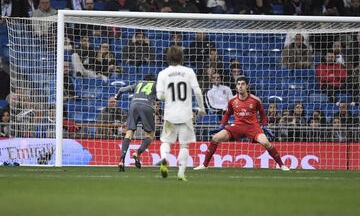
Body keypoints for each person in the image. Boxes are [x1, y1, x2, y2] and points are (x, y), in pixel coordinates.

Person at [194, 76, 290, 171]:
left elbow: (263, 114)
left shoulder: (255, 100)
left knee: (266, 142)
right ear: (236, 86)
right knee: (215, 138)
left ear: (247, 86)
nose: (240, 86)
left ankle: (281, 165)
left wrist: (264, 126)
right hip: (237, 126)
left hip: (253, 127)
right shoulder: (232, 100)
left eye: (243, 84)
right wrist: (222, 126)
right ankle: (204, 164)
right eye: (238, 84)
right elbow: (227, 114)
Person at [156, 45, 206, 181]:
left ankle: (165, 158)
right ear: (182, 57)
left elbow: (159, 96)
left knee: (166, 141)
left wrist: (170, 96)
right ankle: (181, 173)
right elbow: (198, 92)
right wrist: (201, 108)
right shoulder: (189, 71)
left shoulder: (163, 73)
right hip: (185, 115)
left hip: (170, 115)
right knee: (184, 144)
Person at [116, 74, 157, 172]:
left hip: (133, 106)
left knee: (129, 133)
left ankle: (121, 160)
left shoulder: (138, 83)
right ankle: (137, 153)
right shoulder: (155, 84)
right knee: (150, 135)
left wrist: (117, 96)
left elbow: (122, 89)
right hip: (147, 106)